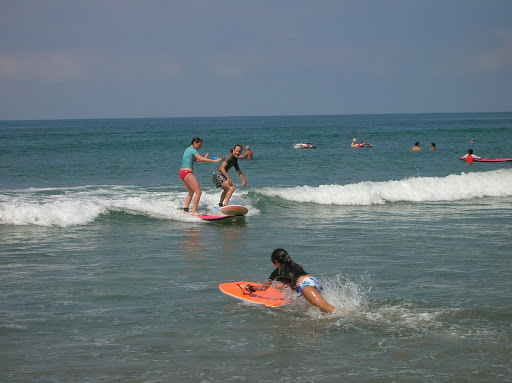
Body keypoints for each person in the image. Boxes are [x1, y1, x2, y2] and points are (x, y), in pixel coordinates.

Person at [245, 248, 346, 314]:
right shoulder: (295, 265)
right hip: (313, 281)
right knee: (322, 309)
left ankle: (353, 316)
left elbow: (264, 287)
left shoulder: (278, 271)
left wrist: (251, 288)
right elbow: (293, 280)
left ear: (275, 261)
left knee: (326, 308)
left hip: (305, 285)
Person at [179, 137, 222, 215]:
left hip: (181, 173)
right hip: (187, 173)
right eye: (199, 145)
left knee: (191, 192)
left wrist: (204, 158)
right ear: (194, 143)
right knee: (198, 192)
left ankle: (185, 210)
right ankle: (194, 212)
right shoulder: (193, 150)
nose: (200, 147)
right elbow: (200, 159)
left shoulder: (187, 150)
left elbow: (197, 160)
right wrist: (213, 160)